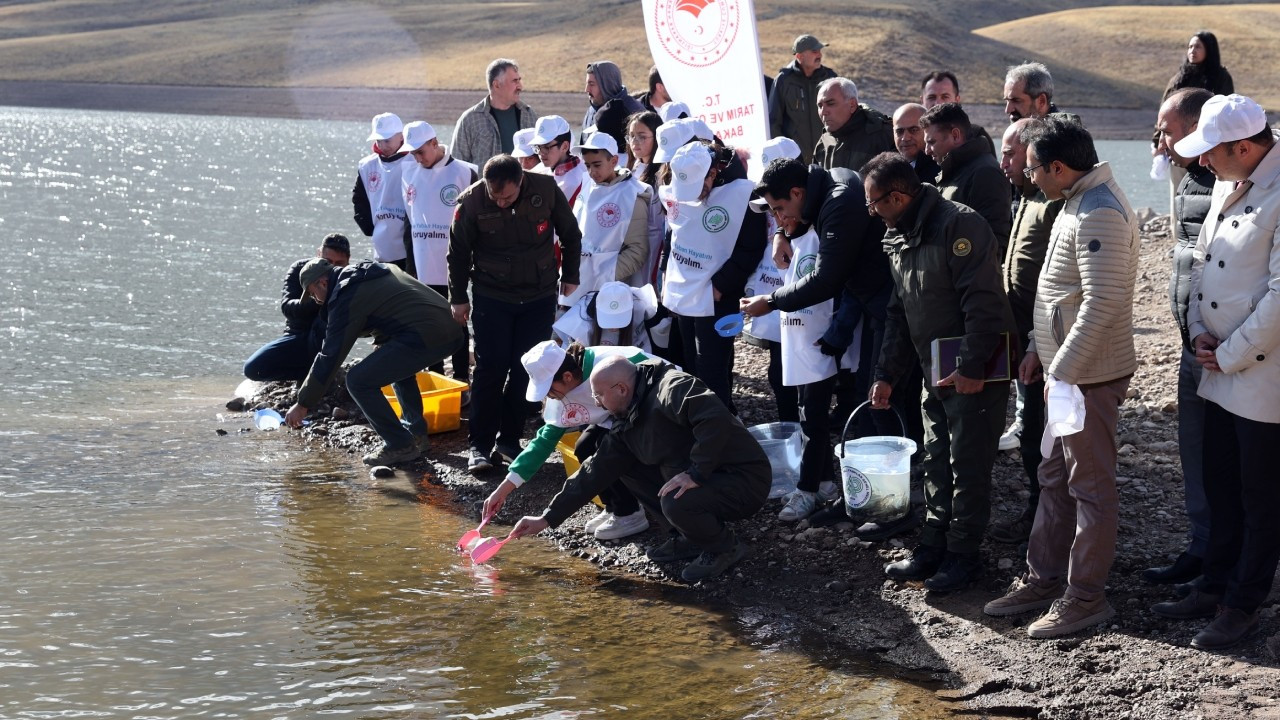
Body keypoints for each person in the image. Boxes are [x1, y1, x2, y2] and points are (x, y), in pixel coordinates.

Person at [984, 117, 1140, 639]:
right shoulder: (1074, 200)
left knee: (1089, 487)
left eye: (1031, 168)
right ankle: (1045, 578)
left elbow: (1102, 303)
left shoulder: (1100, 212)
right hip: (1066, 374)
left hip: (1087, 378)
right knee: (1054, 477)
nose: (1026, 177)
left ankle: (1086, 597)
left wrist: (1065, 372)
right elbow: (1059, 293)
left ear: (1057, 166)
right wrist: (1037, 349)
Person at [1152, 94, 1280, 651]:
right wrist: (1201, 328)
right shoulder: (1233, 180)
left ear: (1245, 147)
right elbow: (1204, 262)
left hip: (1261, 376)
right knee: (1221, 482)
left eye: (1212, 153)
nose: (1202, 162)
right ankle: (1213, 582)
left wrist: (1228, 352)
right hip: (1218, 363)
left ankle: (1242, 602)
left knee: (1261, 495)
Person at [864, 152, 1015, 593]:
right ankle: (932, 544)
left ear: (897, 197)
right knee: (935, 457)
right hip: (934, 364)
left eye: (874, 204)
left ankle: (964, 554)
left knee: (967, 463)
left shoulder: (959, 226)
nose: (870, 213)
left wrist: (972, 367)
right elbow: (898, 312)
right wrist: (886, 373)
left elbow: (983, 303)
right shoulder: (897, 235)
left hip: (975, 365)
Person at [508, 356, 771, 582]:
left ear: (621, 388)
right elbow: (594, 470)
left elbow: (714, 420)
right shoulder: (628, 415)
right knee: (623, 465)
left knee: (676, 500)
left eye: (599, 395)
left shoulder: (674, 387)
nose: (597, 404)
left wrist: (696, 473)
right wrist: (547, 518)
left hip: (743, 480)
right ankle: (691, 535)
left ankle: (723, 546)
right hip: (704, 474)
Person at [743, 156, 890, 522]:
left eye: (780, 209)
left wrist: (772, 301)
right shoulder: (818, 188)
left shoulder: (837, 203)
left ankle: (870, 496)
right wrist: (783, 230)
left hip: (875, 306)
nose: (779, 218)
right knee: (824, 405)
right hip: (851, 309)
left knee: (865, 404)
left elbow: (825, 279)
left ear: (797, 193)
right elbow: (796, 224)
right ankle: (831, 484)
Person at [447, 155, 582, 472]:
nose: (501, 201)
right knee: (490, 368)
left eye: (506, 195)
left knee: (528, 369)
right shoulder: (471, 202)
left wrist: (571, 276)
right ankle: (479, 446)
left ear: (521, 181)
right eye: (495, 195)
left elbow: (571, 233)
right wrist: (457, 298)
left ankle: (508, 439)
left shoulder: (546, 189)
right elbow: (457, 253)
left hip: (538, 294)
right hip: (492, 296)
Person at [283, 258, 465, 466]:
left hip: (432, 334)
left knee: (358, 381)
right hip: (452, 327)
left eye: (313, 294)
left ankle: (400, 445)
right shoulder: (368, 271)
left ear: (322, 283)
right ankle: (414, 435)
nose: (316, 301)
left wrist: (303, 403)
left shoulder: (346, 294)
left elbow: (331, 355)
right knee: (395, 367)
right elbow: (396, 305)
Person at [1141, 88, 1215, 585]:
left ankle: (1231, 566)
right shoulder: (1188, 178)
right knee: (1195, 451)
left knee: (1230, 461)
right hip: (1193, 341)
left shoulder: (1239, 182)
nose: (1160, 140)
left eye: (1167, 130)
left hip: (1229, 348)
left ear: (1194, 127)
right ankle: (1201, 548)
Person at [482, 340, 657, 540]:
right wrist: (503, 489)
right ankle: (615, 506)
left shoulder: (611, 363)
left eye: (548, 389)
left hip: (650, 414)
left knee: (604, 448)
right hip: (615, 416)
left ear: (566, 377)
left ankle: (630, 514)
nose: (548, 396)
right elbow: (543, 442)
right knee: (584, 447)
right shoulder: (565, 384)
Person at [985, 119, 1064, 545]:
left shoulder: (1051, 203)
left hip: (1046, 342)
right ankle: (1040, 512)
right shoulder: (1025, 199)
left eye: (1012, 154)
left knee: (1041, 433)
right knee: (1032, 429)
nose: (1004, 163)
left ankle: (1044, 518)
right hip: (1022, 336)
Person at [660, 141, 766, 414]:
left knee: (713, 365)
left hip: (718, 297)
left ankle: (718, 428)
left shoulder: (743, 194)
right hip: (686, 292)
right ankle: (703, 420)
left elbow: (752, 246)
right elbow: (674, 233)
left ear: (712, 173)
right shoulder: (681, 181)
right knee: (691, 363)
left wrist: (721, 286)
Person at [399, 121, 478, 385]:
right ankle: (435, 377)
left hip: (456, 263)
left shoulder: (465, 173)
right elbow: (409, 223)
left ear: (435, 143)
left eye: (421, 151)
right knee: (429, 321)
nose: (417, 157)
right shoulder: (409, 173)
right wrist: (410, 268)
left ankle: (460, 377)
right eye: (412, 153)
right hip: (422, 264)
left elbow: (477, 221)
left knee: (457, 318)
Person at [559, 132, 650, 309]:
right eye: (587, 165)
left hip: (608, 293)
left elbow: (638, 250)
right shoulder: (588, 186)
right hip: (576, 285)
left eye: (597, 165)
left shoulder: (631, 195)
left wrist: (605, 277)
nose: (592, 171)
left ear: (614, 161)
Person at [243, 234, 351, 383]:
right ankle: (305, 374)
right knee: (252, 369)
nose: (331, 268)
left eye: (339, 264)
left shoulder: (351, 278)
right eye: (327, 262)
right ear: (318, 254)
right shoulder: (301, 269)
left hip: (326, 339)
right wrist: (318, 299)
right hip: (296, 336)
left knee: (327, 320)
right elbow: (287, 307)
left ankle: (321, 375)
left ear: (348, 262)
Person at [1154, 32, 1234, 227]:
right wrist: (1158, 142)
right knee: (1178, 190)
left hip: (1209, 145)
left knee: (1212, 190)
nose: (1192, 51)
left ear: (1209, 50)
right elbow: (1164, 113)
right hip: (1178, 145)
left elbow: (1225, 109)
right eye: (1190, 47)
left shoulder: (1220, 77)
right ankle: (1178, 236)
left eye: (1197, 47)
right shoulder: (1179, 78)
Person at [920, 103, 1012, 246]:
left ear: (955, 135)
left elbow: (993, 240)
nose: (927, 151)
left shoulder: (986, 173)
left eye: (931, 142)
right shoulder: (953, 170)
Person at [352, 112, 413, 270]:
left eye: (387, 140)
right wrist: (370, 228)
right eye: (379, 140)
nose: (383, 145)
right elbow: (359, 200)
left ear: (401, 136)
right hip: (382, 246)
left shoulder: (415, 160)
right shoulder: (367, 165)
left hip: (411, 245)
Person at [452, 59, 538, 168]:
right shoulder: (470, 120)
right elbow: (457, 165)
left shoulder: (529, 115)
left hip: (523, 185)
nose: (520, 86)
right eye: (515, 81)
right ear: (497, 85)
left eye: (519, 80)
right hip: (485, 185)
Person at [769, 34, 837, 165]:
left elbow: (842, 115)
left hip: (827, 157)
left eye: (820, 51)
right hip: (796, 160)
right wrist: (783, 156)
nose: (820, 55)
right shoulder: (783, 81)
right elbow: (774, 122)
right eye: (814, 51)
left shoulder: (830, 78)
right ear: (799, 56)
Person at [811, 77, 894, 173]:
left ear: (852, 105)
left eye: (830, 103)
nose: (823, 112)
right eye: (820, 106)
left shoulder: (881, 135)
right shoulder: (824, 141)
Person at [625, 111, 667, 288]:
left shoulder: (661, 175)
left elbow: (657, 222)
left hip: (651, 245)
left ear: (656, 138)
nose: (635, 142)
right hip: (630, 243)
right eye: (631, 136)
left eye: (642, 137)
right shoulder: (633, 166)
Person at [583, 60, 645, 164]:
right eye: (587, 84)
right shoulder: (591, 111)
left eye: (591, 84)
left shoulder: (633, 112)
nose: (586, 89)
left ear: (607, 84)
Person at [531, 115, 585, 208]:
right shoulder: (542, 168)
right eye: (538, 147)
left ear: (564, 146)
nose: (541, 153)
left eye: (547, 147)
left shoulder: (575, 181)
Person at [893, 103, 939, 182]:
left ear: (928, 131)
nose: (905, 138)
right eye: (899, 131)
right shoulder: (887, 169)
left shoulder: (941, 171)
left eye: (913, 130)